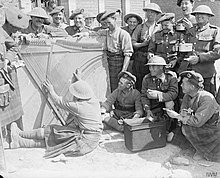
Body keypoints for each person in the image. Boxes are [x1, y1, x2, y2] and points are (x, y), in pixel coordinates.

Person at [10, 70, 103, 158]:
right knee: (55, 136)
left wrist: (51, 91)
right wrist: (79, 80)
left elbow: (59, 102)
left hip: (84, 141)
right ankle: (20, 135)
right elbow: (83, 91)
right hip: (93, 139)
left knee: (54, 135)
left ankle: (20, 140)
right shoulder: (94, 100)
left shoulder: (79, 107)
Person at [165, 70, 220, 162]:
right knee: (170, 137)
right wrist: (181, 115)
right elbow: (183, 111)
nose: (181, 85)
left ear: (192, 86)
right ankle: (196, 146)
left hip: (212, 130)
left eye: (183, 83)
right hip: (196, 126)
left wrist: (177, 116)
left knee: (186, 129)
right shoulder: (187, 96)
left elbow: (197, 122)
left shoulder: (206, 99)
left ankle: (202, 150)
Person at [73, 10, 133, 92]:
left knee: (119, 84)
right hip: (109, 60)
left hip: (119, 61)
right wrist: (83, 34)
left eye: (109, 22)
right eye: (106, 23)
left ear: (115, 19)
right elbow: (94, 33)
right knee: (109, 83)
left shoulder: (123, 34)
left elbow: (128, 54)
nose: (108, 25)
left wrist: (123, 70)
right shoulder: (106, 32)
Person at [0, 6, 29, 145]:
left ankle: (10, 138)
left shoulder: (2, 33)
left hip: (4, 78)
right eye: (14, 27)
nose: (16, 31)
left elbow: (13, 47)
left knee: (7, 108)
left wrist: (6, 59)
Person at [182, 5, 220, 96]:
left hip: (205, 74)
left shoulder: (214, 31)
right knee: (189, 100)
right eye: (197, 14)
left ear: (209, 17)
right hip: (190, 73)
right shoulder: (190, 31)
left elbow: (217, 52)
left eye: (203, 14)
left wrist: (199, 58)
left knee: (206, 99)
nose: (199, 16)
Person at [141, 56, 178, 139]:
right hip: (153, 106)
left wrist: (158, 95)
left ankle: (171, 127)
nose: (150, 69)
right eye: (150, 66)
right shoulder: (147, 79)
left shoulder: (171, 77)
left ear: (161, 67)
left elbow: (174, 93)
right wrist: (147, 109)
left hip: (167, 106)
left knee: (169, 103)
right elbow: (143, 96)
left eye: (153, 67)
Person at [131, 3, 162, 91]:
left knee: (154, 80)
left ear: (156, 14)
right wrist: (143, 44)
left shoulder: (160, 27)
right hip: (140, 58)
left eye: (153, 12)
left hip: (155, 57)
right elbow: (133, 43)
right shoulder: (139, 27)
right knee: (139, 80)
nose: (150, 14)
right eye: (148, 12)